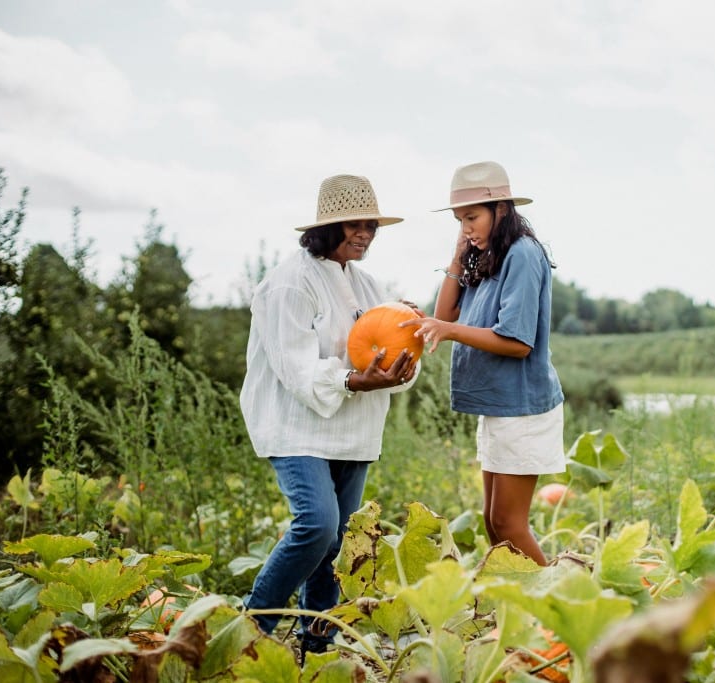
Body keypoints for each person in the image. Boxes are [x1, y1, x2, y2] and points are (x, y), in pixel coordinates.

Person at [239, 173, 419, 655]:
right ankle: (251, 630)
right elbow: (295, 369)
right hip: (297, 426)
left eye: (371, 226)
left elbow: (383, 355)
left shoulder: (369, 285)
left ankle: (318, 646)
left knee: (336, 542)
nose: (365, 234)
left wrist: (408, 342)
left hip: (352, 431)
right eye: (354, 225)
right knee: (316, 525)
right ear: (325, 228)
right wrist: (352, 380)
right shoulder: (287, 284)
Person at [403, 161, 564, 566]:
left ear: (502, 210)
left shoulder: (523, 255)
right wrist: (457, 258)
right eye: (459, 220)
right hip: (499, 406)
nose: (466, 228)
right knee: (494, 524)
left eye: (471, 217)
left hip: (522, 406)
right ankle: (522, 612)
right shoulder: (488, 254)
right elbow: (447, 311)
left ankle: (556, 609)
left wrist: (447, 330)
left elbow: (517, 342)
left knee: (510, 525)